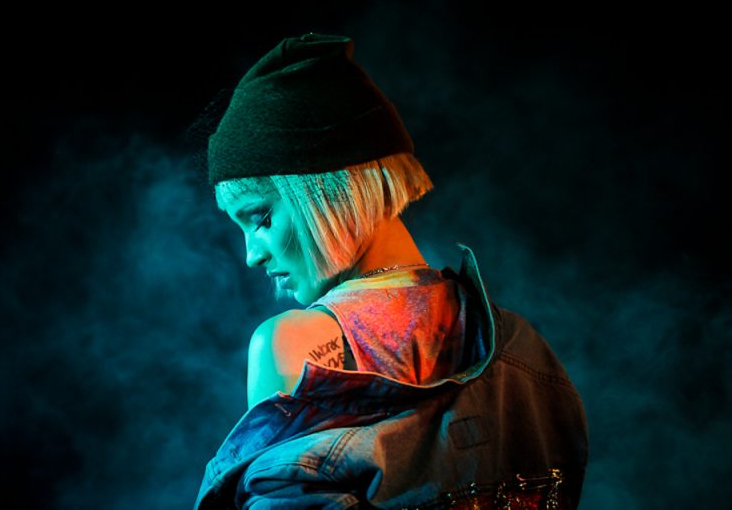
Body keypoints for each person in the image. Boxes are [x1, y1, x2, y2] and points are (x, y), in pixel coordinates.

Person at [193, 33, 588, 509]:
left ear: (327, 191)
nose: (252, 255)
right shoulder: (522, 349)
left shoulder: (291, 344)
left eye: (260, 218)